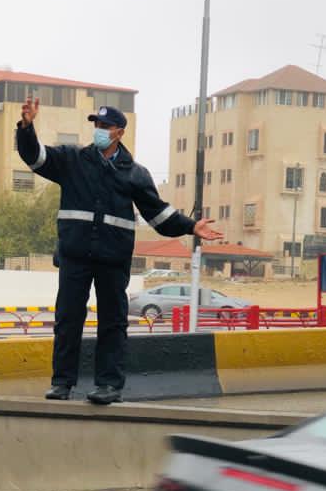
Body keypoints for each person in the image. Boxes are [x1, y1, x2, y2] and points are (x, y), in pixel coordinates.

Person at [17, 98, 219, 404]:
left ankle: (109, 386)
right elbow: (36, 158)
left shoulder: (134, 174)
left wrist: (191, 227)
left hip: (113, 260)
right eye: (96, 125)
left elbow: (159, 216)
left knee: (113, 323)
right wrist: (26, 128)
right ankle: (62, 383)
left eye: (105, 126)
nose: (99, 130)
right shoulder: (73, 160)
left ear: (119, 133)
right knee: (68, 319)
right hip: (75, 256)